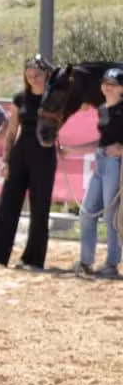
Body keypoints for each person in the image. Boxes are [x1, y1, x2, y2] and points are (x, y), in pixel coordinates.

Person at [0, 56, 59, 270]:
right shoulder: (20, 98)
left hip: (45, 153)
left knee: (40, 207)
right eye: (29, 74)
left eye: (37, 74)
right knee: (7, 203)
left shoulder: (54, 98)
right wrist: (6, 160)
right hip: (20, 152)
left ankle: (33, 259)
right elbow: (12, 131)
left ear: (46, 75)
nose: (33, 78)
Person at [74, 67, 123, 278]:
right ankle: (86, 261)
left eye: (113, 84)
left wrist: (121, 148)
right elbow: (100, 141)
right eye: (105, 83)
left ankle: (111, 264)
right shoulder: (102, 109)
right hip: (100, 161)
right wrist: (71, 150)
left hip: (116, 164)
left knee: (112, 216)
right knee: (87, 212)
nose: (108, 87)